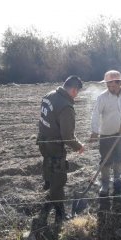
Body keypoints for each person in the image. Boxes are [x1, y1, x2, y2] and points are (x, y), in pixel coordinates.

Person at [37, 75, 84, 223]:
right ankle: (59, 212)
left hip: (42, 140)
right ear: (74, 90)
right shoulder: (66, 107)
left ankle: (47, 185)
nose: (77, 95)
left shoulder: (48, 95)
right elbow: (67, 136)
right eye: (78, 92)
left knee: (47, 163)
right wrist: (79, 147)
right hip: (54, 144)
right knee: (59, 177)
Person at [90, 70, 121, 197]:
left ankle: (118, 178)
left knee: (120, 157)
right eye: (108, 85)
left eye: (113, 85)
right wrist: (95, 131)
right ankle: (105, 183)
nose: (110, 88)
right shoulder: (102, 97)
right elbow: (95, 114)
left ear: (120, 83)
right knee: (105, 160)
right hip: (107, 134)